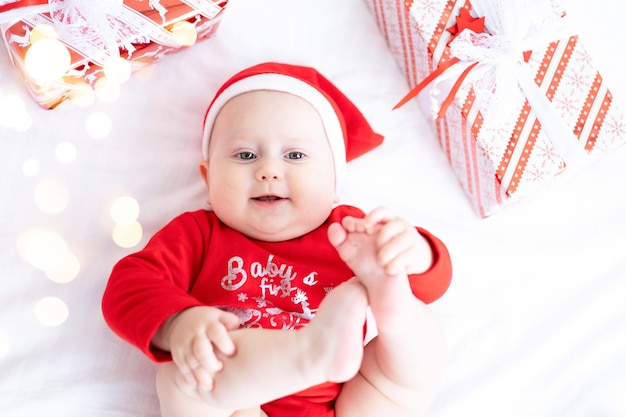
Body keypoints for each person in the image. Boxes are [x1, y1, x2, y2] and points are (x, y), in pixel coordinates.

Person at [102, 62, 452, 417]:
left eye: (295, 156)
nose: (268, 170)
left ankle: (393, 310)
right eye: (245, 155)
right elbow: (128, 286)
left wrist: (410, 253)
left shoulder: (350, 233)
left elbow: (433, 286)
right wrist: (177, 325)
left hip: (343, 406)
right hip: (241, 406)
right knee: (188, 374)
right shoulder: (198, 235)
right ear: (208, 180)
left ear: (334, 183)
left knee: (413, 343)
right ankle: (308, 353)